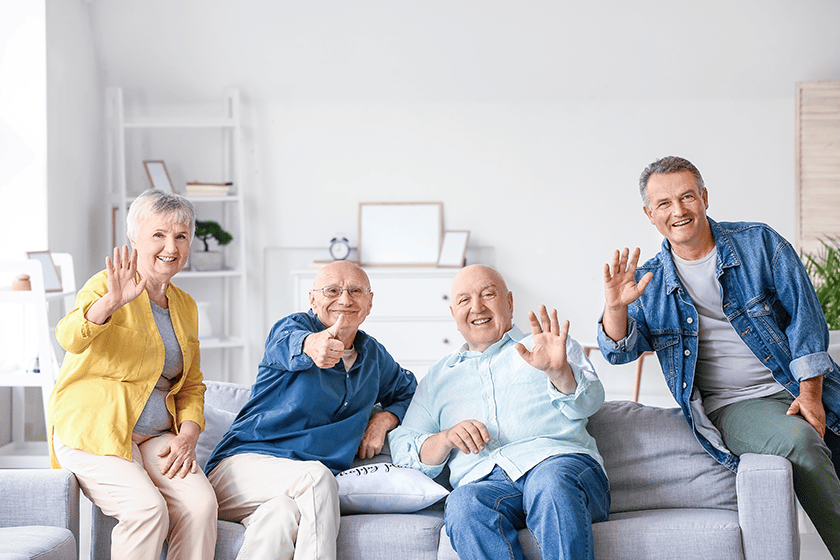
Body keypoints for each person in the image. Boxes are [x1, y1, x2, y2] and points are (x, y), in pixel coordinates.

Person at [598, 155, 840, 557]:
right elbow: (618, 351)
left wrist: (811, 391)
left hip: (803, 382)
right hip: (739, 405)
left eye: (687, 196)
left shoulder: (759, 242)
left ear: (704, 197)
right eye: (664, 204)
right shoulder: (650, 282)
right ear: (650, 214)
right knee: (800, 442)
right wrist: (615, 308)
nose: (678, 211)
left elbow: (805, 316)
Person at [390, 265, 610, 560]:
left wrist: (560, 374)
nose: (477, 307)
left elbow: (591, 402)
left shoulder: (547, 346)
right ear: (454, 314)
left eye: (488, 294)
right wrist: (445, 438)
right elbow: (404, 449)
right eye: (465, 300)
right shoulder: (438, 379)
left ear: (509, 302)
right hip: (488, 487)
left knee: (549, 483)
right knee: (463, 503)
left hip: (561, 468)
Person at [204, 260, 417, 560]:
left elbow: (411, 393)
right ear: (313, 300)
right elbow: (290, 343)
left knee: (281, 517)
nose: (344, 299)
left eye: (355, 291)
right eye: (332, 290)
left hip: (290, 493)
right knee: (316, 478)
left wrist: (383, 419)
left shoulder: (374, 358)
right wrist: (312, 345)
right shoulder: (292, 328)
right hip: (240, 471)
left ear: (369, 303)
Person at [48, 189, 218, 560]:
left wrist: (188, 434)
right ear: (134, 239)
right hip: (96, 430)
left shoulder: (185, 305)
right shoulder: (105, 285)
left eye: (180, 236)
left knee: (201, 506)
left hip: (154, 437)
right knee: (147, 510)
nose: (170, 246)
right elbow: (68, 337)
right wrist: (110, 302)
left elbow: (191, 385)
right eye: (158, 234)